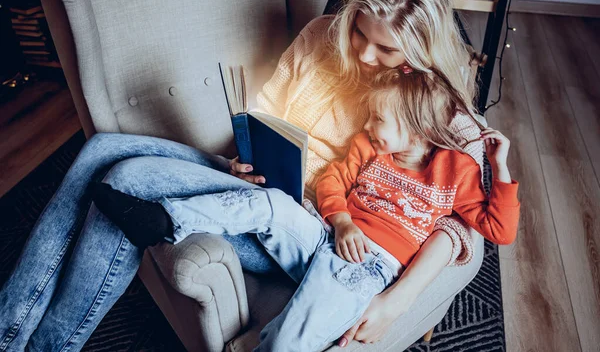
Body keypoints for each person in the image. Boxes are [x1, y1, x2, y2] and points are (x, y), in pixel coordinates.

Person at [0, 0, 483, 351]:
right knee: (101, 149)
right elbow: (268, 110)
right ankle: (10, 332)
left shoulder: (430, 102)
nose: (364, 55)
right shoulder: (321, 34)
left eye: (387, 50)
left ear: (420, 53)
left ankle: (46, 344)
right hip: (252, 184)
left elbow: (463, 220)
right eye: (360, 33)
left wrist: (395, 304)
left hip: (304, 229)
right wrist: (243, 155)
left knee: (128, 178)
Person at [92, 67, 520, 352]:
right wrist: (343, 220)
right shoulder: (368, 147)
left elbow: (498, 229)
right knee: (273, 205)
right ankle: (167, 220)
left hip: (369, 267)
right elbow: (332, 180)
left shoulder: (455, 172)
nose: (368, 126)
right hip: (328, 234)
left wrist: (499, 170)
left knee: (299, 329)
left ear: (416, 127)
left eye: (379, 119)